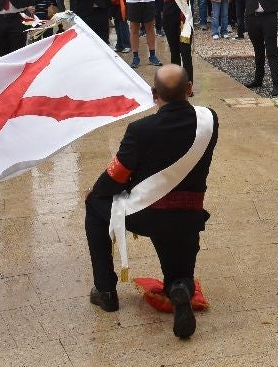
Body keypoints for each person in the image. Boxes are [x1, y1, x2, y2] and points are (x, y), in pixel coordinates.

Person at [83, 65, 218, 340]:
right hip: (188, 216)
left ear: (154, 94)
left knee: (94, 207)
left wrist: (95, 191)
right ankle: (179, 287)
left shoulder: (140, 129)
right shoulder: (210, 120)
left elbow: (117, 175)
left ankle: (106, 290)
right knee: (179, 268)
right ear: (190, 89)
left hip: (147, 214)